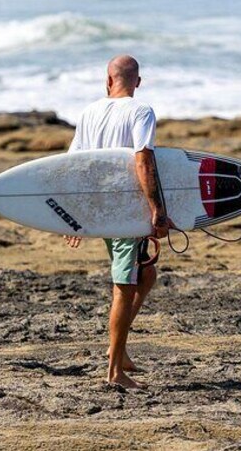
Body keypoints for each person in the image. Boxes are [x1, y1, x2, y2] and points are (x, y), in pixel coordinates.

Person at [65, 55, 171, 389]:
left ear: (108, 80)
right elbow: (143, 159)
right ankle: (114, 371)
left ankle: (119, 350)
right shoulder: (141, 111)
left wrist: (76, 216)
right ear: (137, 82)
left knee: (146, 274)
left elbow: (73, 164)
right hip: (125, 209)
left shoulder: (88, 112)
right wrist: (157, 208)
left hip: (100, 208)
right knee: (124, 286)